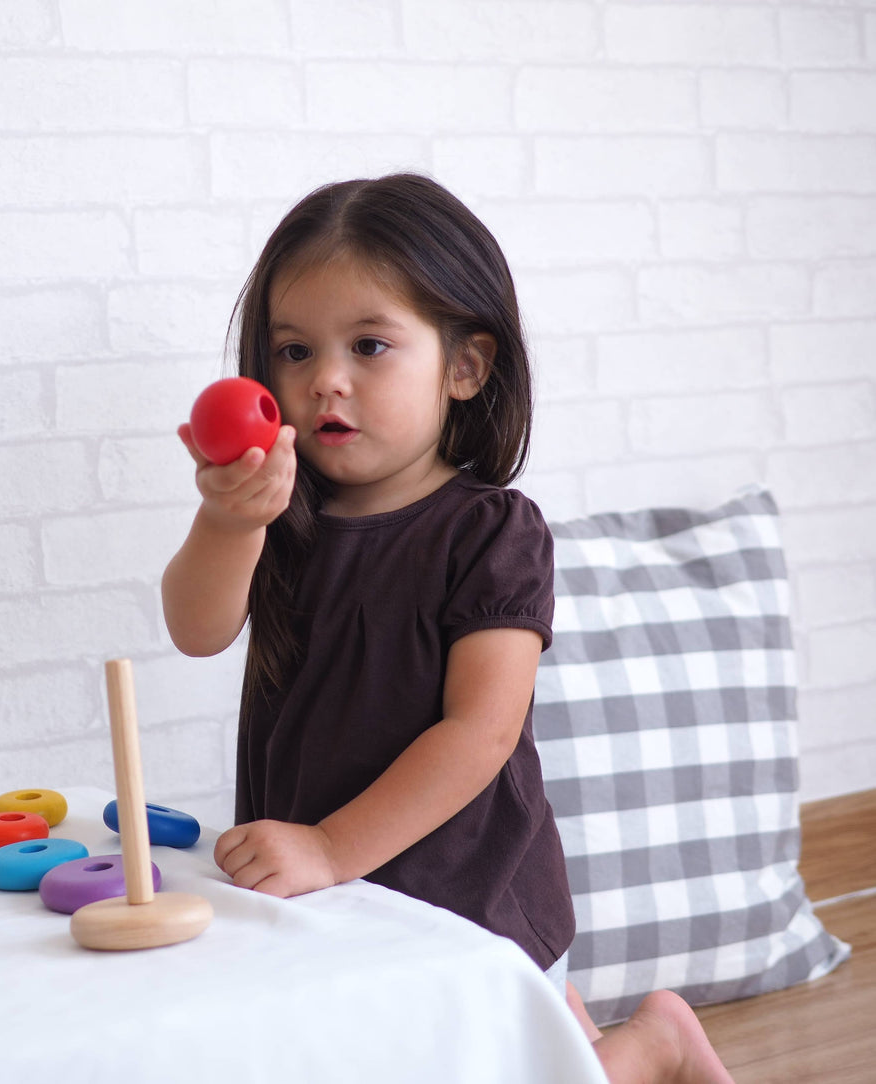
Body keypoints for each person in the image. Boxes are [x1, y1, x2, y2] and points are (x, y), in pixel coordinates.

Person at [161, 173, 734, 1084]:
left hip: (468, 890)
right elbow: (195, 629)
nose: (325, 381)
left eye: (370, 345)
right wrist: (229, 522)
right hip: (336, 899)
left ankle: (651, 1044)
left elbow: (481, 730)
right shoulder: (285, 520)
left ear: (464, 368)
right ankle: (600, 1042)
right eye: (294, 351)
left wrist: (326, 847)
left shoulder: (491, 532)